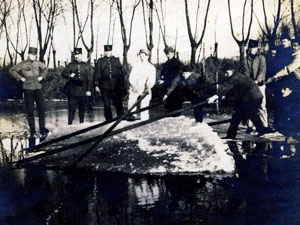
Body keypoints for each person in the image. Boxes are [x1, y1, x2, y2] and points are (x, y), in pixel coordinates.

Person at [208, 68, 273, 139]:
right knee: (251, 115)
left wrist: (215, 96)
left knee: (238, 116)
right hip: (252, 98)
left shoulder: (235, 77)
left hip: (252, 98)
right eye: (224, 73)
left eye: (227, 72)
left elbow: (227, 87)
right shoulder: (236, 76)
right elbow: (232, 90)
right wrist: (223, 96)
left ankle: (231, 136)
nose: (225, 74)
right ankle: (262, 130)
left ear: (232, 70)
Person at [9, 47, 49, 137]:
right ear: (28, 54)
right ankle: (33, 130)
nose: (34, 56)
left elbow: (46, 69)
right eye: (32, 54)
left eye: (35, 54)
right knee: (30, 110)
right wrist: (20, 78)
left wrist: (41, 77)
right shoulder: (23, 63)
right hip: (28, 88)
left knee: (41, 109)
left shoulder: (38, 63)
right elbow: (12, 70)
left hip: (38, 87)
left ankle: (42, 128)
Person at [94, 45, 126, 121]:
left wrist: (122, 85)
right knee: (106, 105)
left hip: (116, 86)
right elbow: (97, 73)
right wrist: (96, 85)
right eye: (106, 51)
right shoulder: (100, 61)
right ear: (104, 52)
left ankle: (121, 120)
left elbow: (121, 73)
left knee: (118, 104)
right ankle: (109, 121)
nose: (107, 53)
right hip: (104, 86)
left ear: (111, 51)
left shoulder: (116, 60)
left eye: (109, 51)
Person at [242, 39, 268, 131]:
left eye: (254, 47)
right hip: (250, 86)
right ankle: (250, 126)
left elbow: (262, 70)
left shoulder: (261, 58)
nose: (252, 49)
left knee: (262, 105)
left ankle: (265, 125)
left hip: (260, 85)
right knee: (250, 105)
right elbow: (246, 72)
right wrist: (250, 82)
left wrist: (257, 81)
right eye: (251, 47)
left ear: (257, 48)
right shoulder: (246, 59)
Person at [61, 48, 93, 125]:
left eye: (78, 54)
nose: (77, 56)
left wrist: (89, 90)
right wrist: (69, 75)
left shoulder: (86, 66)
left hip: (83, 90)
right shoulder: (71, 65)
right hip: (72, 90)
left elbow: (90, 79)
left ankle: (81, 124)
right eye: (75, 55)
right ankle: (69, 125)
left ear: (81, 55)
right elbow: (63, 73)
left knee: (82, 109)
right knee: (71, 109)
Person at [127, 49, 156, 121]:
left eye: (144, 56)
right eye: (141, 56)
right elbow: (132, 77)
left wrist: (148, 87)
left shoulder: (151, 67)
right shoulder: (136, 65)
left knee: (145, 104)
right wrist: (133, 86)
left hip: (145, 87)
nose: (142, 58)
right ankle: (131, 117)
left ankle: (144, 119)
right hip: (136, 86)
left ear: (148, 56)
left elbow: (151, 79)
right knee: (132, 101)